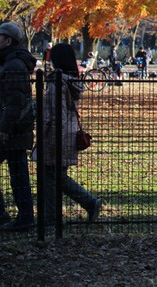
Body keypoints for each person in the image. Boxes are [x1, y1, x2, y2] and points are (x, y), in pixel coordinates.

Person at [32, 44, 102, 226]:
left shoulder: (58, 82)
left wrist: (53, 139)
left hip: (56, 133)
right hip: (68, 132)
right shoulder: (71, 81)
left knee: (52, 176)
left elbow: (57, 113)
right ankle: (54, 216)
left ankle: (59, 215)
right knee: (55, 176)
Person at [0, 21, 36, 231]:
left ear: (8, 40)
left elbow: (14, 101)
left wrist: (4, 129)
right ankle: (23, 217)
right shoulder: (10, 61)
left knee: (19, 175)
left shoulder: (13, 65)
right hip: (15, 127)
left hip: (13, 128)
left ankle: (23, 217)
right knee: (18, 174)